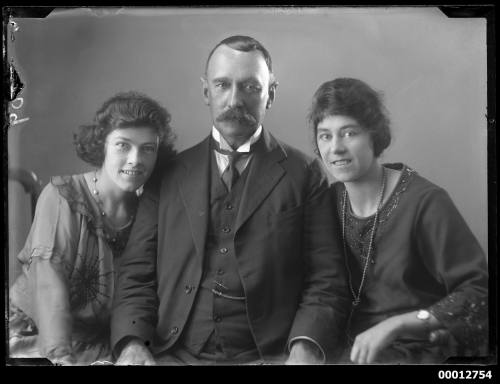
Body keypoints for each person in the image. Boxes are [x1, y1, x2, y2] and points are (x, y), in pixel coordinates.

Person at [111, 35, 350, 365]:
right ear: (206, 91)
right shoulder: (167, 174)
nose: (234, 99)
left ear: (271, 94)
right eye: (222, 85)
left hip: (271, 356)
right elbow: (136, 274)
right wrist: (132, 343)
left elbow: (327, 279)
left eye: (250, 87)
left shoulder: (306, 174)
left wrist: (305, 346)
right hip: (173, 352)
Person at [309, 77, 489, 364]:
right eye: (325, 135)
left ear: (375, 135)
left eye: (349, 133)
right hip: (344, 350)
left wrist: (399, 324)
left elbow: (479, 294)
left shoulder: (425, 202)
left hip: (415, 351)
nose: (336, 148)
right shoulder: (327, 202)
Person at [8, 91, 176, 365]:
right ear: (102, 146)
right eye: (123, 145)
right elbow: (49, 288)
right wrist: (62, 358)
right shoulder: (63, 197)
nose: (136, 159)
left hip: (101, 344)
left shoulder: (150, 209)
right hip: (39, 337)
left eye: (148, 148)